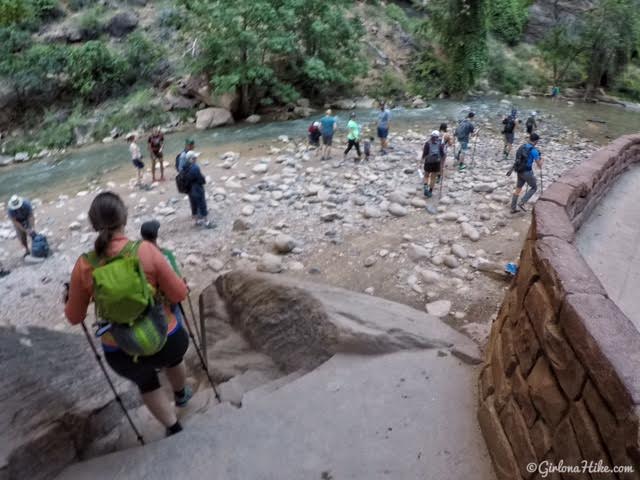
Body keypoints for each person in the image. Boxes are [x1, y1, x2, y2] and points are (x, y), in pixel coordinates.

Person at [64, 192, 191, 437]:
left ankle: (174, 429)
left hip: (122, 351)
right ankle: (181, 395)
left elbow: (74, 317)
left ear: (93, 224)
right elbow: (178, 295)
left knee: (146, 382)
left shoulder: (85, 265)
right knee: (173, 355)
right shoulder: (145, 250)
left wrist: (70, 298)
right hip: (167, 338)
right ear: (124, 216)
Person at [510, 133, 543, 213]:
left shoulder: (523, 146)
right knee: (534, 187)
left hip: (519, 170)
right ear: (535, 141)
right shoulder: (534, 151)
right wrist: (542, 159)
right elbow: (539, 165)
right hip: (527, 172)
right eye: (537, 141)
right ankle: (522, 202)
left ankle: (513, 207)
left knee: (518, 189)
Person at [183, 151, 215, 228]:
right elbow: (200, 179)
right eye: (194, 158)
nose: (196, 159)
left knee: (193, 204)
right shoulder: (195, 167)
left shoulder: (185, 167)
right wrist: (203, 180)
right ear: (191, 159)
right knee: (202, 204)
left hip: (189, 189)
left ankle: (197, 221)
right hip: (197, 188)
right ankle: (207, 222)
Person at [422, 131, 445, 198]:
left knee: (426, 176)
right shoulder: (440, 144)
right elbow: (442, 155)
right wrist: (442, 164)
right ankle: (430, 191)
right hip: (436, 163)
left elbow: (424, 154)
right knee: (433, 178)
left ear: (431, 136)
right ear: (438, 137)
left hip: (428, 162)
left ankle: (426, 187)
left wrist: (422, 161)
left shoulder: (427, 143)